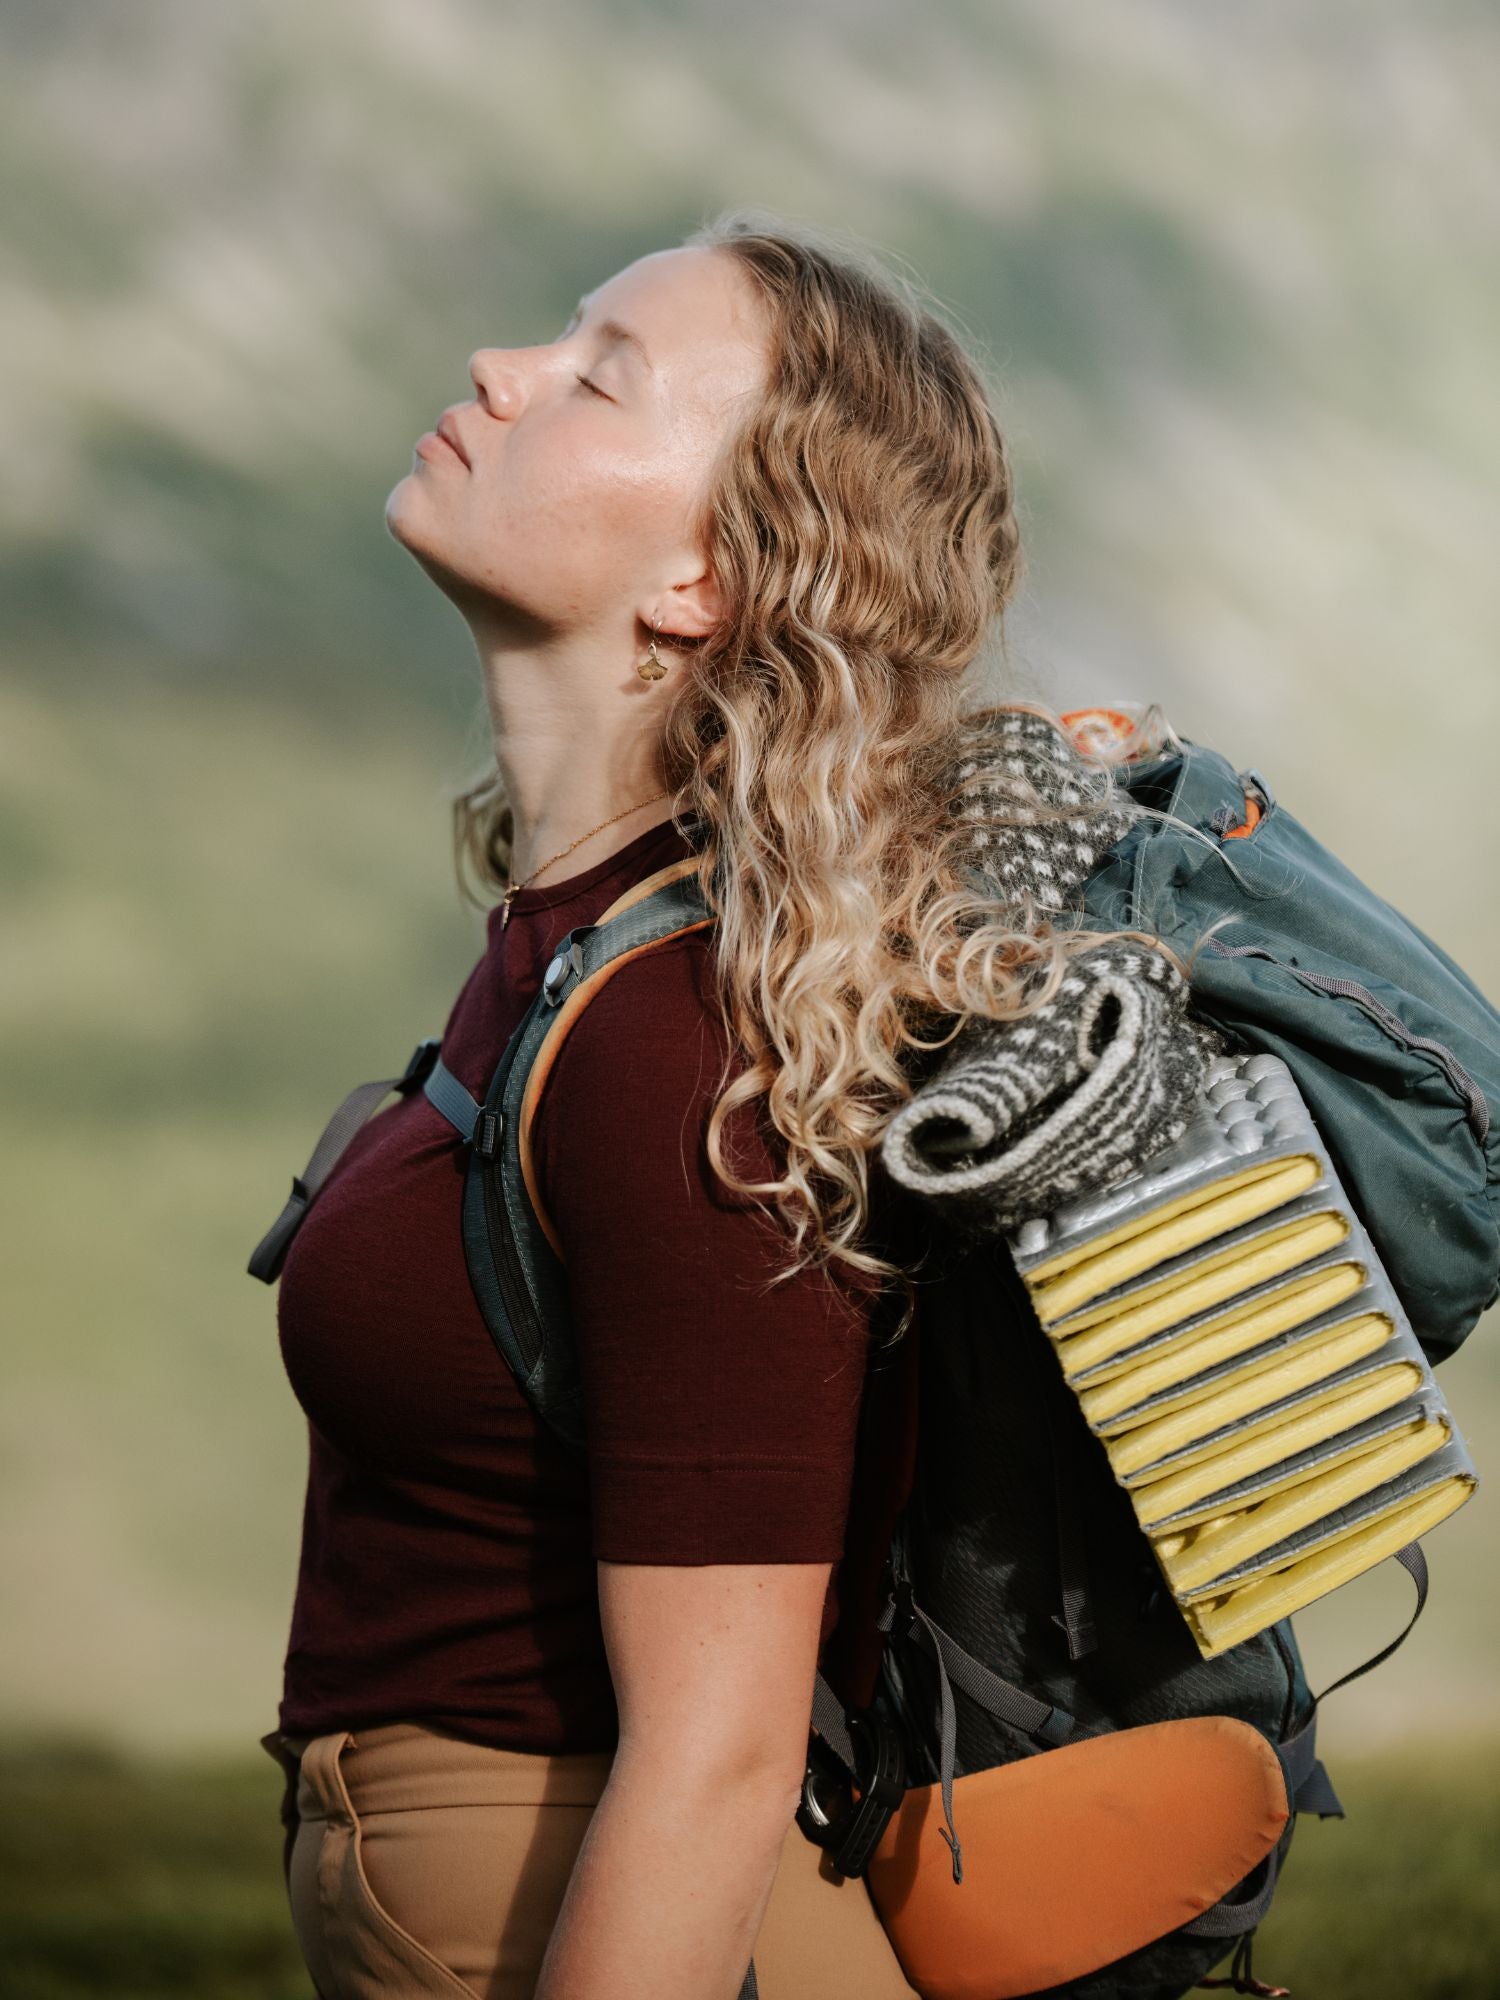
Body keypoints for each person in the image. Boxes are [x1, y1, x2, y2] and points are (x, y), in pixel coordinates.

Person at [257, 209, 1130, 1999]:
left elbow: (719, 1761)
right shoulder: (579, 942)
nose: (502, 372)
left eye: (600, 375)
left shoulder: (689, 1050)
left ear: (705, 582)